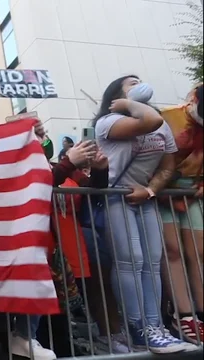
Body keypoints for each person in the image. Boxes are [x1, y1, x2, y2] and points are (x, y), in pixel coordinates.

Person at [93, 75, 195, 353]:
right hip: (116, 197)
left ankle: (156, 327)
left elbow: (167, 166)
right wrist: (126, 103)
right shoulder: (108, 122)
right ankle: (139, 329)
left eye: (141, 81)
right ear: (115, 96)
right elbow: (148, 122)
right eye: (131, 83)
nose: (140, 85)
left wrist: (150, 191)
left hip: (144, 199)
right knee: (130, 260)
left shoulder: (160, 124)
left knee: (152, 261)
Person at [159, 83, 204, 344]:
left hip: (193, 193)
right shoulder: (169, 117)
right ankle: (183, 314)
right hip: (165, 192)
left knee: (198, 253)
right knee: (173, 250)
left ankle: (200, 310)